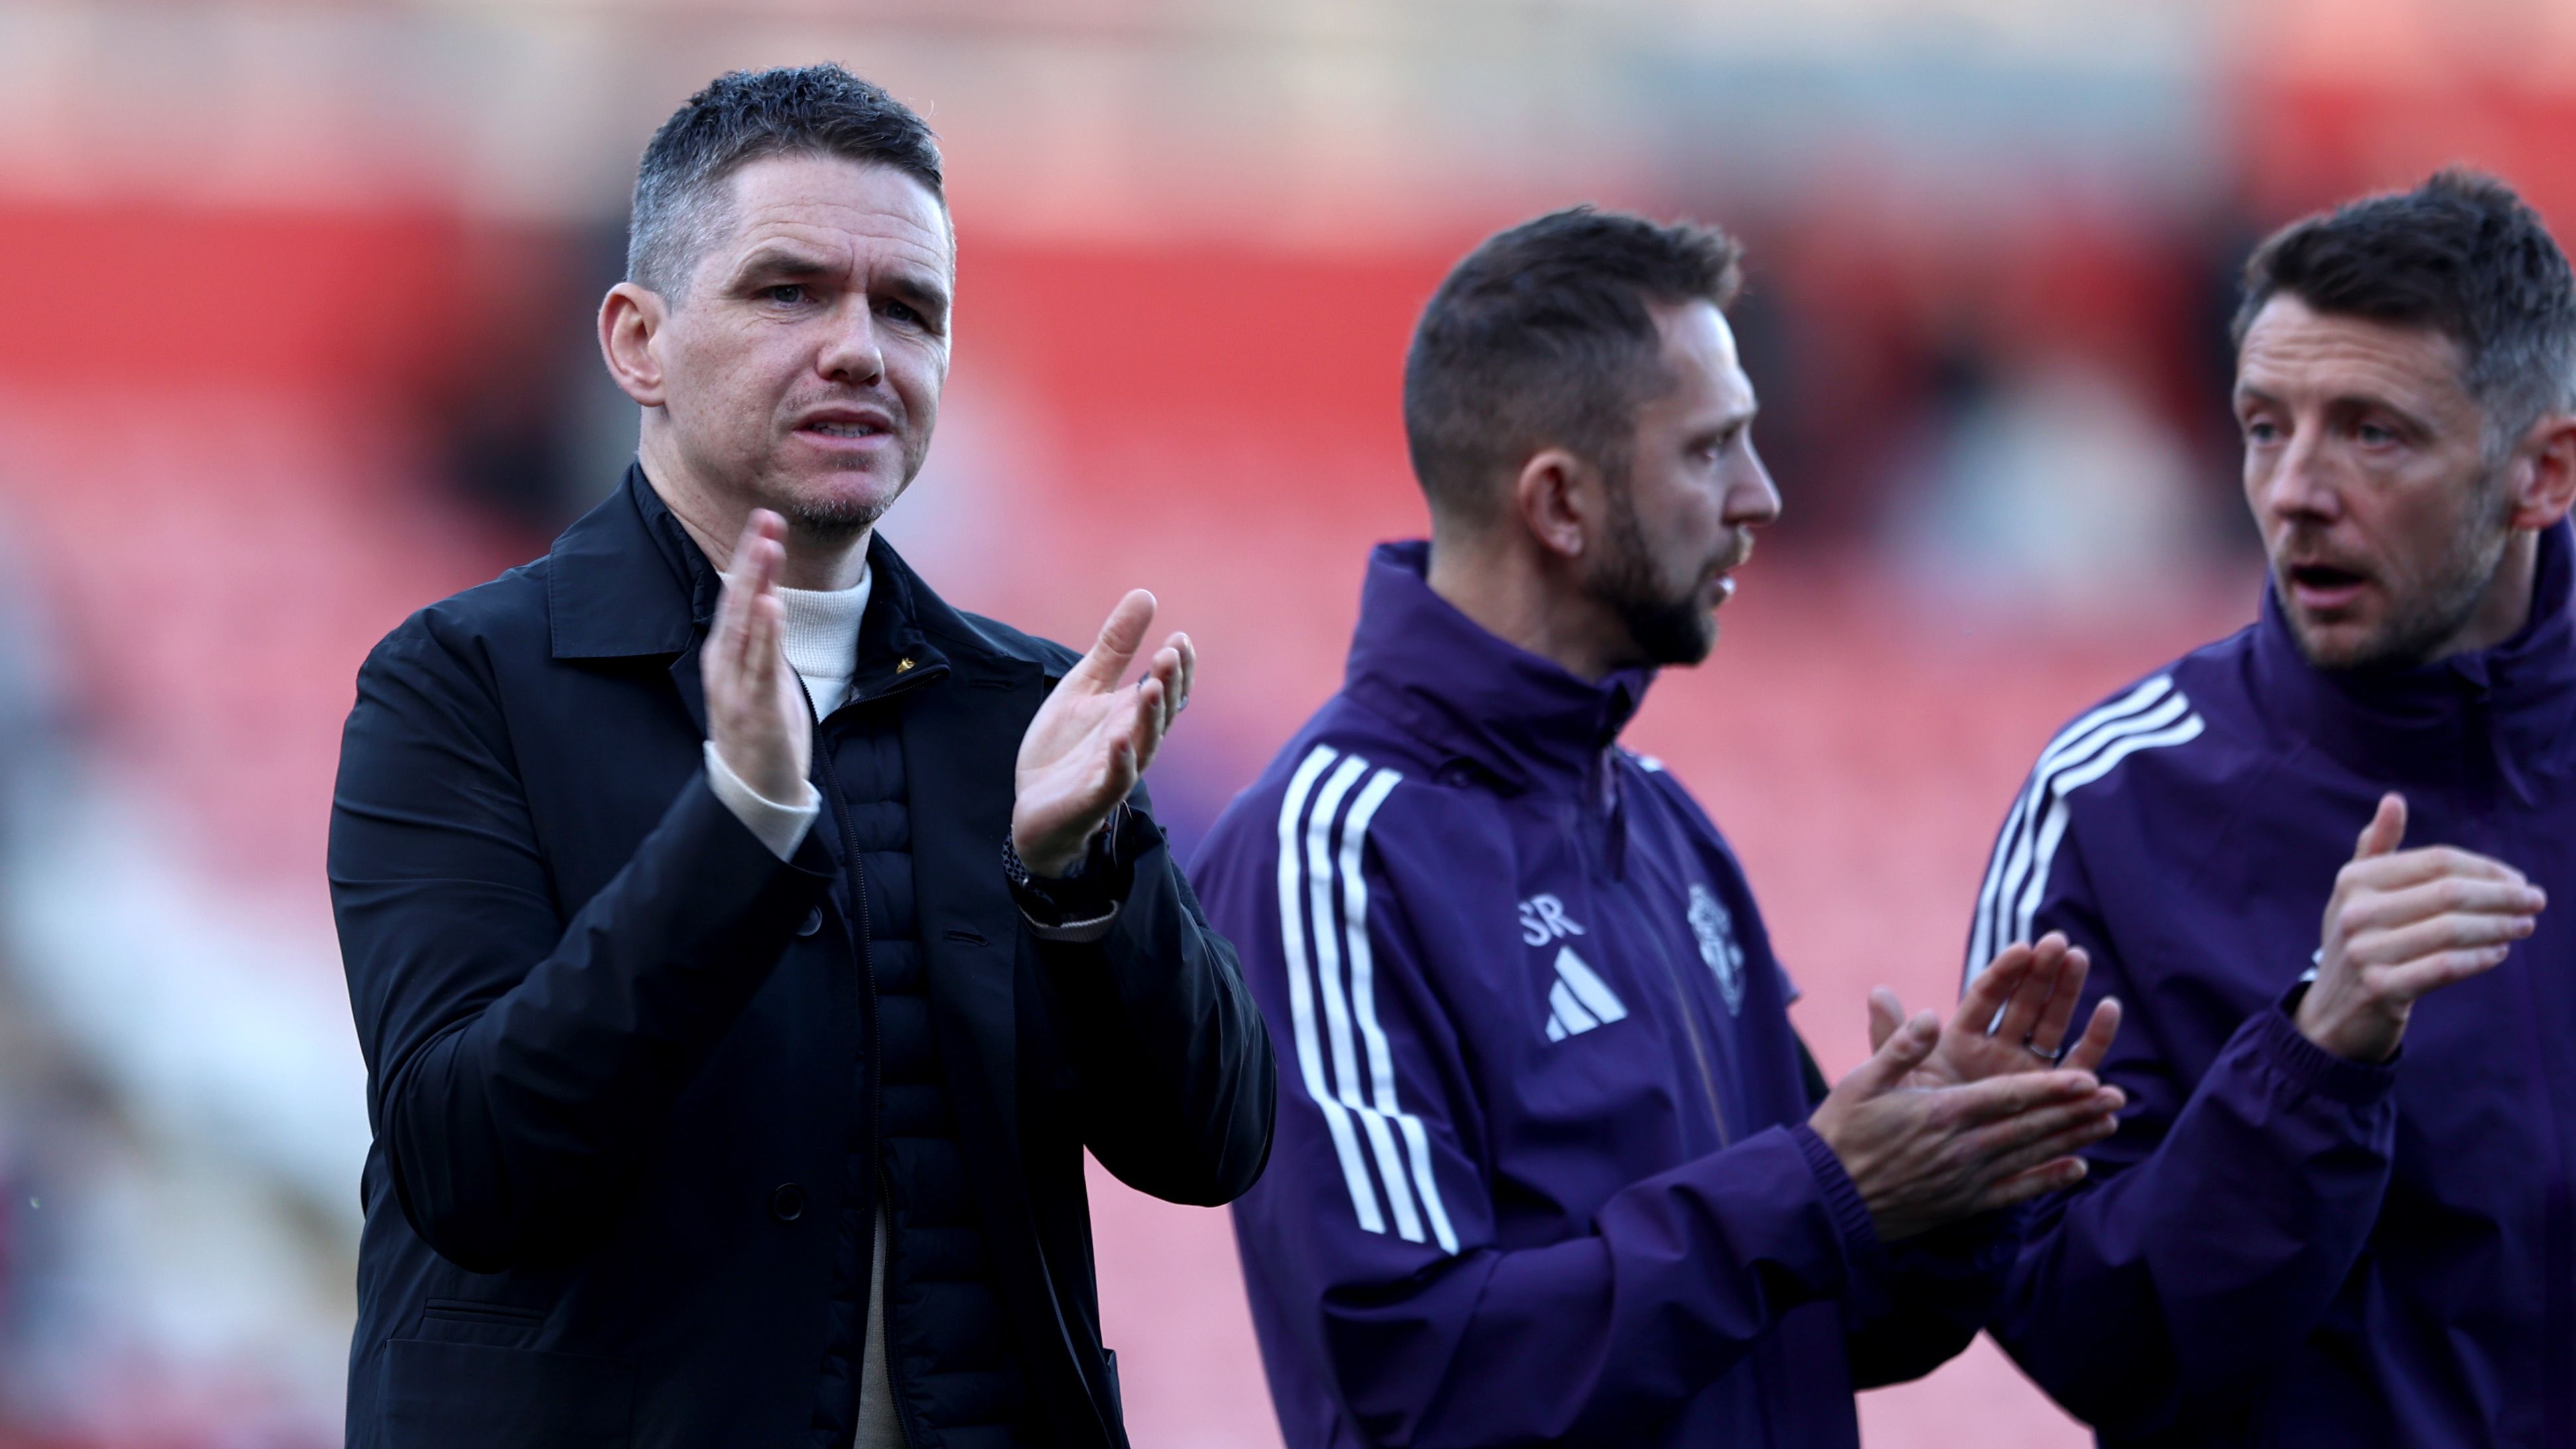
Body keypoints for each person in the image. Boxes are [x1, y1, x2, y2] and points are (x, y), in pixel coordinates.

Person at [329, 64, 1273, 1449]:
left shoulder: (1025, 707)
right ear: (637, 340)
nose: (858, 348)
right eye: (789, 291)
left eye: (908, 310)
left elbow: (1211, 1147)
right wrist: (740, 822)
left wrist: (1083, 886)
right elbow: (472, 1167)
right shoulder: (455, 685)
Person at [1187, 207, 2128, 1448]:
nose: (1762, 495)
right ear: (1562, 505)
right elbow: (1415, 1373)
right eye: (1711, 451)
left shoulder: (1664, 823)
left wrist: (1944, 1179)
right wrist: (1821, 1184)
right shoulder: (1330, 852)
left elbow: (1817, 1311)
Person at [1966, 169, 2574, 1446]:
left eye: (2372, 431)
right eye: (2262, 425)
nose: (2296, 487)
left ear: (2544, 473)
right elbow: (2080, 1336)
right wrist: (2313, 1058)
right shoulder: (2115, 799)